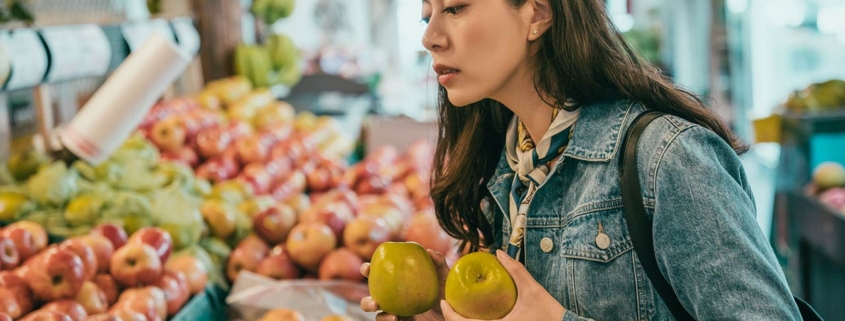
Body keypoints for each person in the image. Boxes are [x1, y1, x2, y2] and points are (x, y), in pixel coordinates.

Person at [360, 0, 802, 320]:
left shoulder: (667, 157)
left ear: (537, 13)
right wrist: (447, 308)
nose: (430, 37)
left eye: (456, 8)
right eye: (427, 15)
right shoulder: (506, 164)